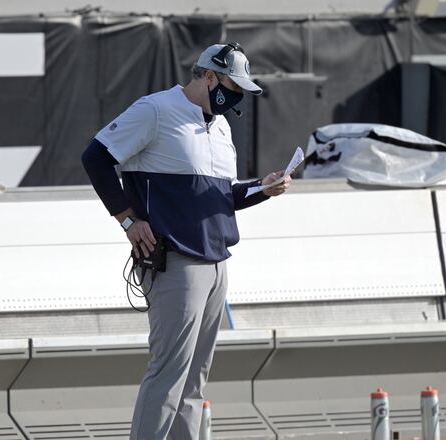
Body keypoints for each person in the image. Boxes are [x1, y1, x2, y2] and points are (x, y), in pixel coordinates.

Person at [81, 42, 291, 439]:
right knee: (168, 376)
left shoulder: (222, 125)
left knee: (194, 381)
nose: (237, 95)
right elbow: (95, 157)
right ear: (209, 75)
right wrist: (127, 220)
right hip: (176, 261)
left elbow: (221, 197)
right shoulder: (155, 110)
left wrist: (263, 189)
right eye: (233, 84)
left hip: (215, 262)